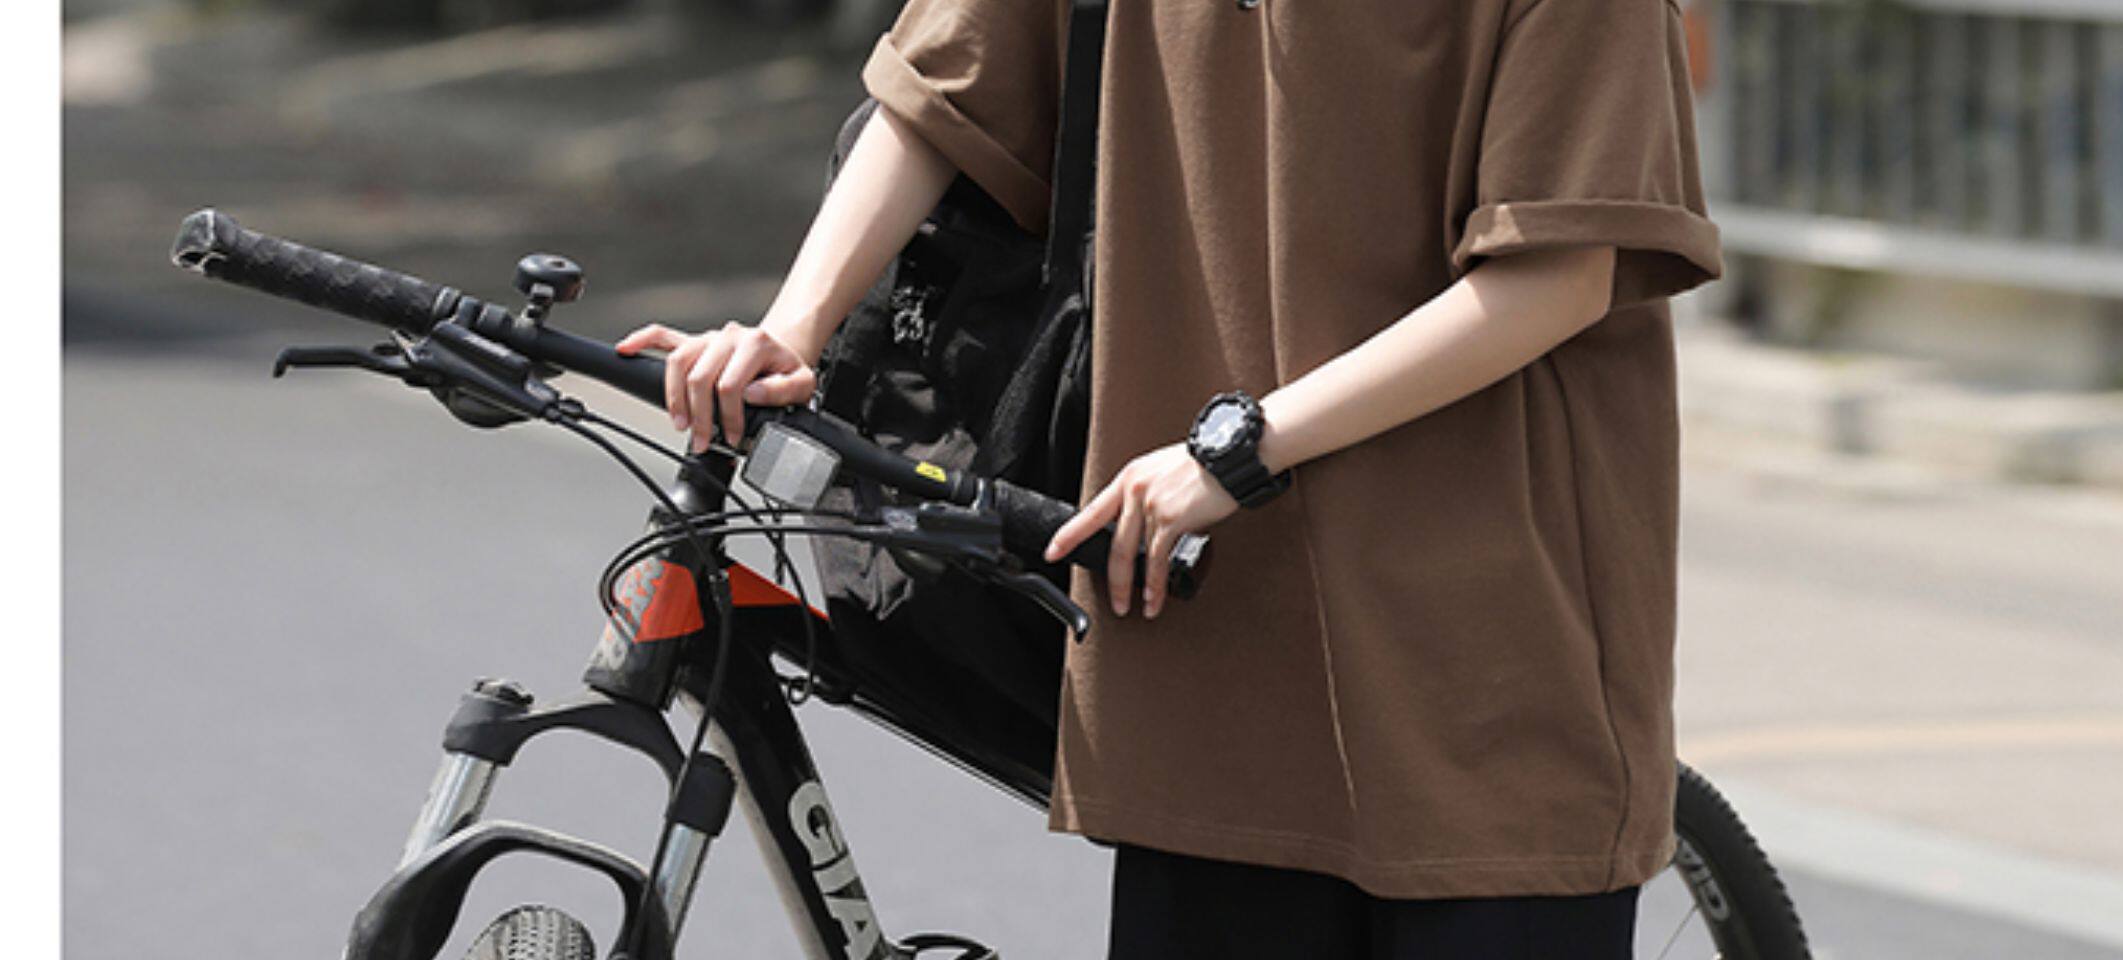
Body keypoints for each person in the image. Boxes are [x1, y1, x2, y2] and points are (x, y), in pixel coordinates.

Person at [618, 0, 1722, 955]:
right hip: (1206, 644)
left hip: (1483, 677)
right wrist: (791, 329)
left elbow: (1555, 274)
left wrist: (1243, 448)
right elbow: (939, 91)